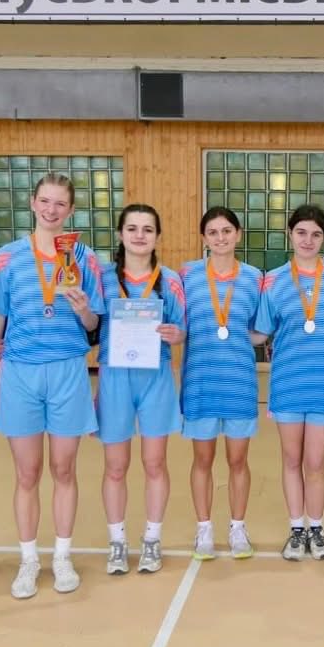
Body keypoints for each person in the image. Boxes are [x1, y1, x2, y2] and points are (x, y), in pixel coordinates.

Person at [0, 173, 105, 600]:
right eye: (45, 201)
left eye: (60, 204)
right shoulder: (6, 257)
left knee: (64, 470)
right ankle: (28, 560)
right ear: (33, 203)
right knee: (27, 472)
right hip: (19, 372)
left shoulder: (84, 258)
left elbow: (93, 325)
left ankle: (62, 556)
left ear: (70, 211)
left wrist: (85, 309)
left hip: (68, 370)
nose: (52, 210)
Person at [255, 204, 324, 561]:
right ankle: (297, 529)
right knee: (291, 459)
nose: (308, 240)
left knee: (315, 463)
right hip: (287, 383)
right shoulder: (274, 280)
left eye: (315, 234)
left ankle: (317, 528)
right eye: (301, 233)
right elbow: (261, 331)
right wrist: (218, 333)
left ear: (323, 237)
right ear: (290, 235)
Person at [96, 204, 186, 576]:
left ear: (157, 237)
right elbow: (88, 323)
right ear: (120, 234)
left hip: (155, 377)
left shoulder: (170, 280)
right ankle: (117, 542)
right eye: (132, 228)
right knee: (116, 466)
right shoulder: (102, 277)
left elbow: (181, 329)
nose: (139, 235)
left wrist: (176, 334)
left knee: (155, 463)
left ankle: (152, 539)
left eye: (147, 229)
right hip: (115, 377)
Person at [180, 207, 263, 561]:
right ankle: (204, 529)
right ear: (204, 238)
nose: (220, 238)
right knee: (203, 459)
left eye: (227, 230)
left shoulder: (254, 278)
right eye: (213, 232)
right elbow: (179, 324)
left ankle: (238, 527)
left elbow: (259, 330)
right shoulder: (188, 276)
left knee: (238, 459)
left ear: (238, 234)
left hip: (239, 382)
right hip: (200, 381)